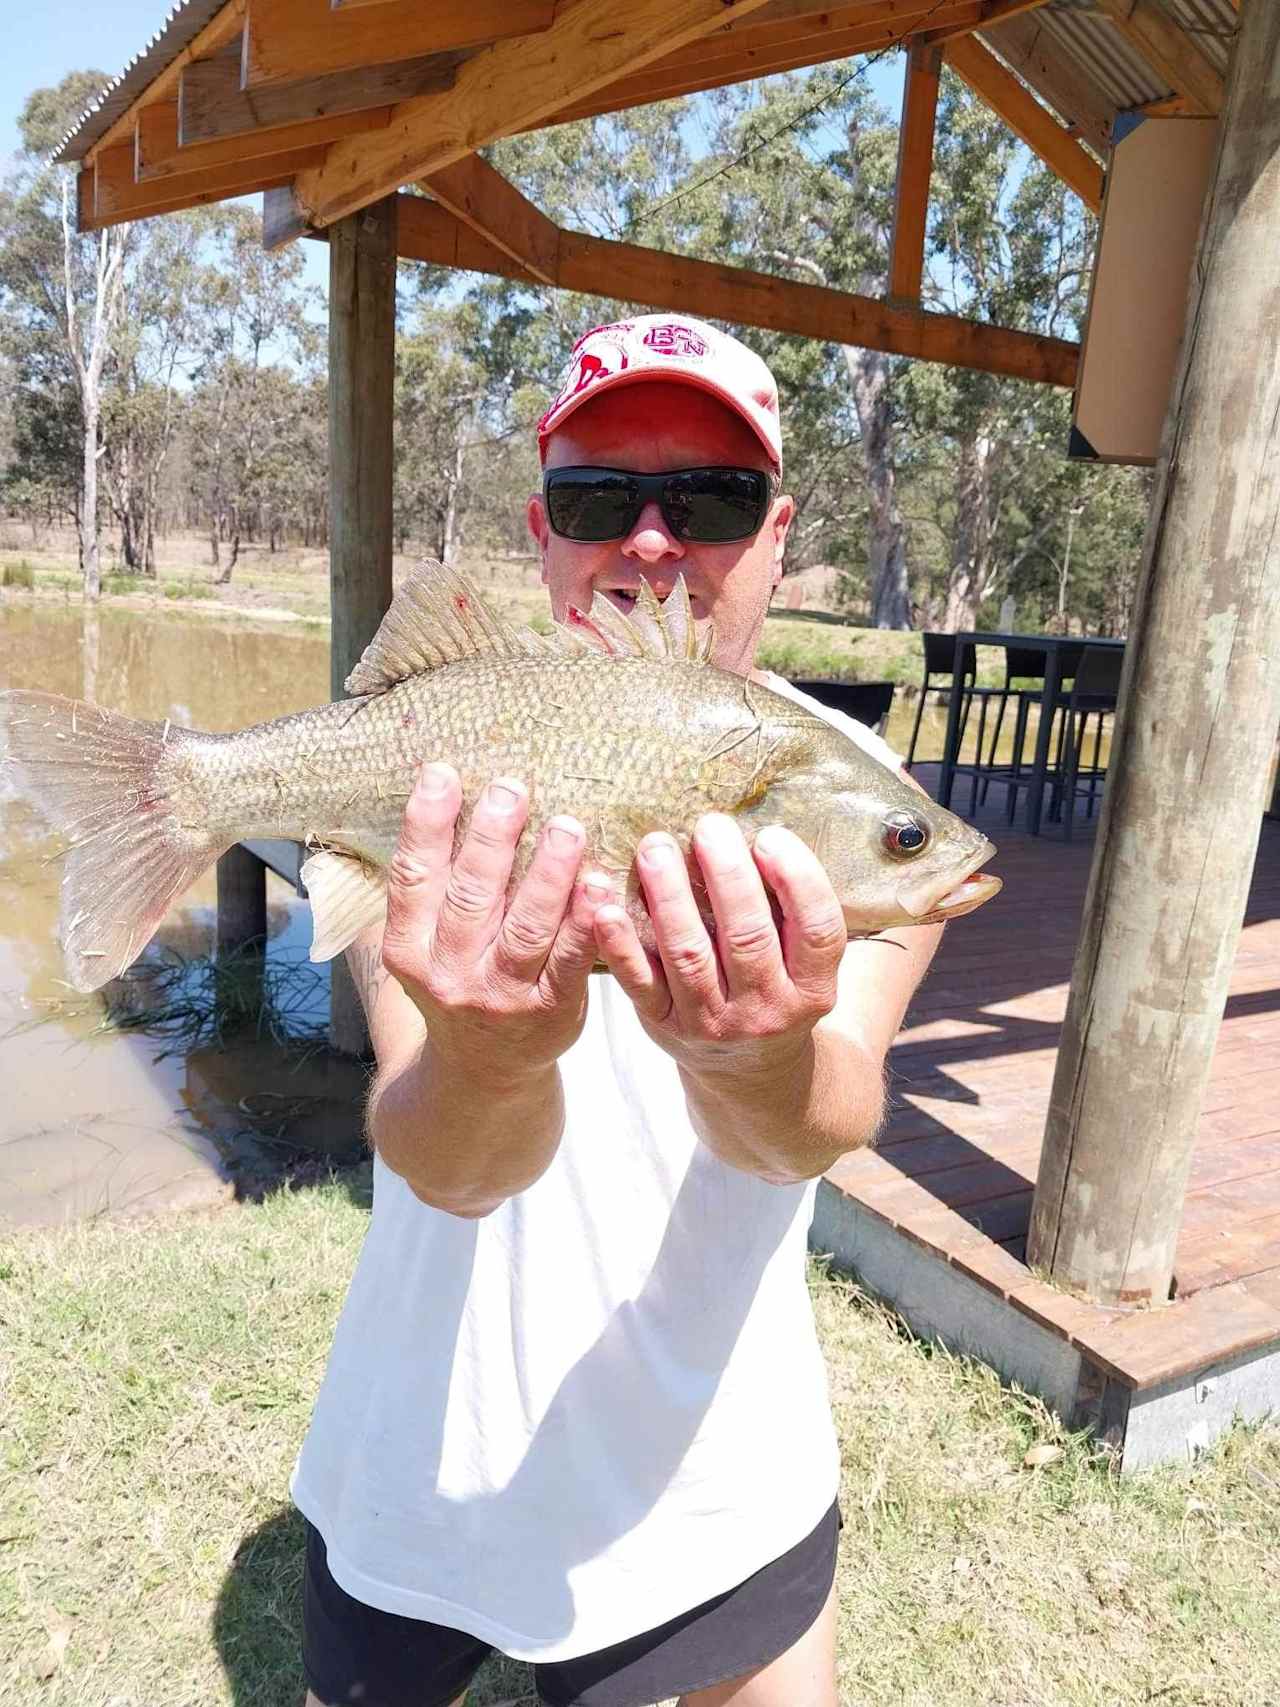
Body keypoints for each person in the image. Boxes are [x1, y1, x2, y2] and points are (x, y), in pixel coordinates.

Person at [294, 315, 944, 1707]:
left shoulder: (867, 799)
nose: (651, 542)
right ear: (542, 531)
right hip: (423, 1456)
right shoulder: (430, 770)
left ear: (779, 532)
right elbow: (449, 1164)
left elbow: (815, 1126)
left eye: (709, 499)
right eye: (601, 498)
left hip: (714, 1485)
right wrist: (488, 1056)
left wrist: (753, 1060)